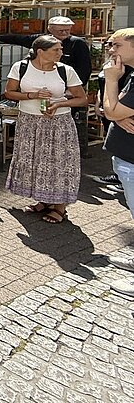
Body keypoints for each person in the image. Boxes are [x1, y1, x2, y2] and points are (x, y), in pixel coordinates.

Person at [3, 35, 87, 225]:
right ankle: (44, 200)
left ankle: (60, 208)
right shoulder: (21, 67)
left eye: (61, 49)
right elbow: (9, 92)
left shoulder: (66, 70)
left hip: (59, 123)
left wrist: (59, 104)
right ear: (40, 51)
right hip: (29, 122)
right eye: (56, 50)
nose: (61, 53)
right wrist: (32, 95)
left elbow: (82, 99)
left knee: (59, 164)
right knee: (36, 162)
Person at [0, 15, 92, 152]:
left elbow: (84, 72)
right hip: (29, 120)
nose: (61, 53)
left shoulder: (76, 47)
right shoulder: (24, 62)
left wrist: (65, 94)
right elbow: (19, 38)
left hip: (61, 115)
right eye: (60, 31)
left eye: (67, 30)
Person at [100, 28, 134, 299]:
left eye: (117, 45)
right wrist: (115, 113)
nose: (112, 50)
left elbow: (110, 108)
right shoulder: (130, 73)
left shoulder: (121, 74)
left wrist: (110, 80)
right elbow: (110, 110)